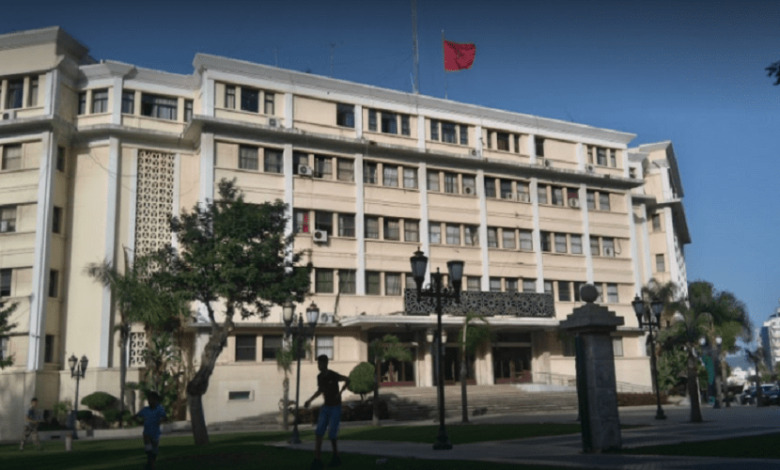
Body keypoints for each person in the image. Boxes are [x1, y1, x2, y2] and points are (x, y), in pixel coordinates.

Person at [304, 355, 350, 469]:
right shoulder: (319, 377)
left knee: (332, 434)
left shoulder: (333, 375)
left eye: (320, 363)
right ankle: (317, 460)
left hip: (335, 407)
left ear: (325, 363)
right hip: (326, 407)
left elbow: (347, 379)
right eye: (318, 363)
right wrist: (310, 400)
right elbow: (320, 390)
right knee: (319, 433)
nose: (318, 366)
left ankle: (336, 457)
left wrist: (340, 392)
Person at [136, 391, 166, 470]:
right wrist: (138, 421)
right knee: (148, 448)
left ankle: (149, 464)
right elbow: (137, 416)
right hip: (147, 431)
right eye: (149, 399)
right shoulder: (145, 409)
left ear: (156, 400)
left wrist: (160, 420)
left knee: (154, 450)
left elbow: (164, 417)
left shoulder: (159, 408)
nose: (150, 401)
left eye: (151, 399)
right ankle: (152, 466)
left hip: (155, 432)